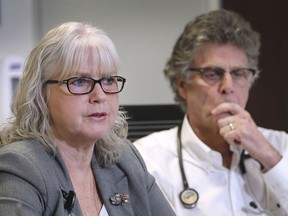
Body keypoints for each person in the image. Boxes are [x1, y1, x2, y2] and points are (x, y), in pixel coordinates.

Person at [0, 22, 176, 216]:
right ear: (41, 93)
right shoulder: (21, 166)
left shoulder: (125, 159)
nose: (99, 96)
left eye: (108, 80)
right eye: (79, 81)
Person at [134, 9, 288, 215]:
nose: (228, 86)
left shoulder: (280, 147)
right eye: (212, 74)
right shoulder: (147, 161)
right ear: (182, 84)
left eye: (239, 73)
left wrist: (268, 156)